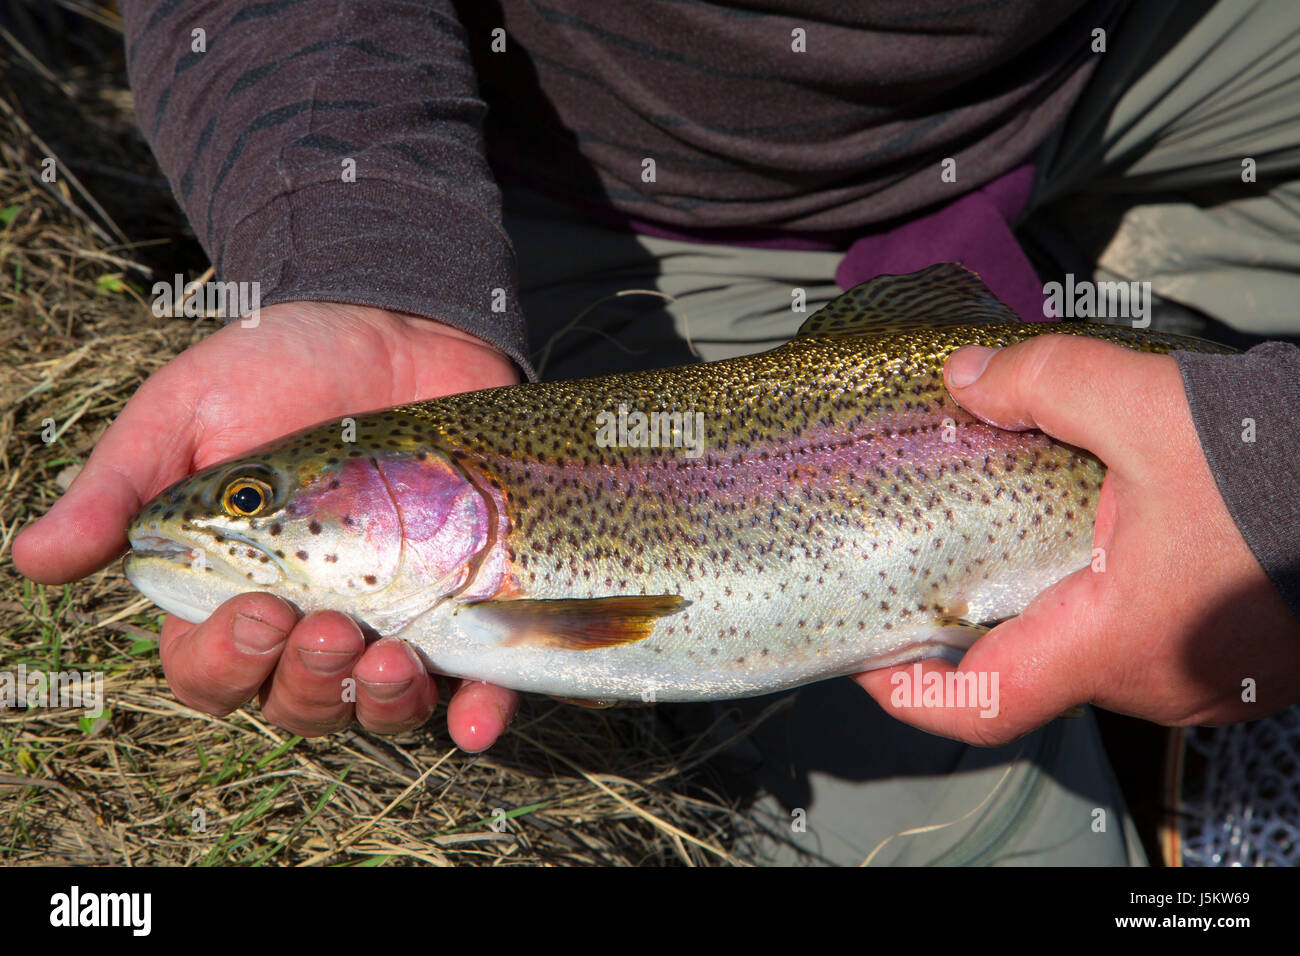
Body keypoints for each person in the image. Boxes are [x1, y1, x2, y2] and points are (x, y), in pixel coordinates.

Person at [14, 0, 1300, 864]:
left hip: (1120, 49)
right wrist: (367, 259)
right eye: (254, 510)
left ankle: (1161, 328)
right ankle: (1157, 324)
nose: (235, 523)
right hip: (622, 196)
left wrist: (1271, 466)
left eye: (252, 508)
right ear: (426, 489)